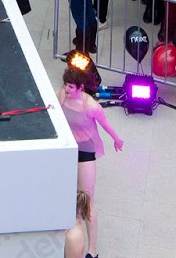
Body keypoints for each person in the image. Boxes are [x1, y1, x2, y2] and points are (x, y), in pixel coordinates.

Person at [57, 65, 124, 258]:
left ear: (80, 87)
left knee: (87, 201)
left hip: (85, 152)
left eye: (71, 87)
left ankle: (92, 250)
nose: (67, 90)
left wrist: (117, 140)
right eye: (66, 86)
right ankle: (71, 239)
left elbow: (106, 125)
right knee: (67, 196)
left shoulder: (91, 106)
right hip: (67, 150)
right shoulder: (61, 95)